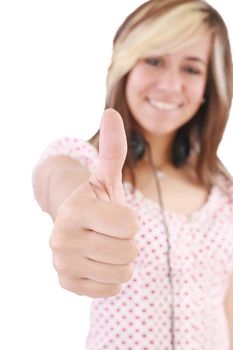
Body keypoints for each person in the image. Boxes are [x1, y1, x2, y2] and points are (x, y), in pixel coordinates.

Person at [32, 0, 233, 349]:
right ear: (125, 66)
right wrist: (78, 218)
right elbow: (58, 180)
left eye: (191, 69)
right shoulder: (85, 164)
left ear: (208, 88)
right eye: (154, 60)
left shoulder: (224, 191)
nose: (171, 85)